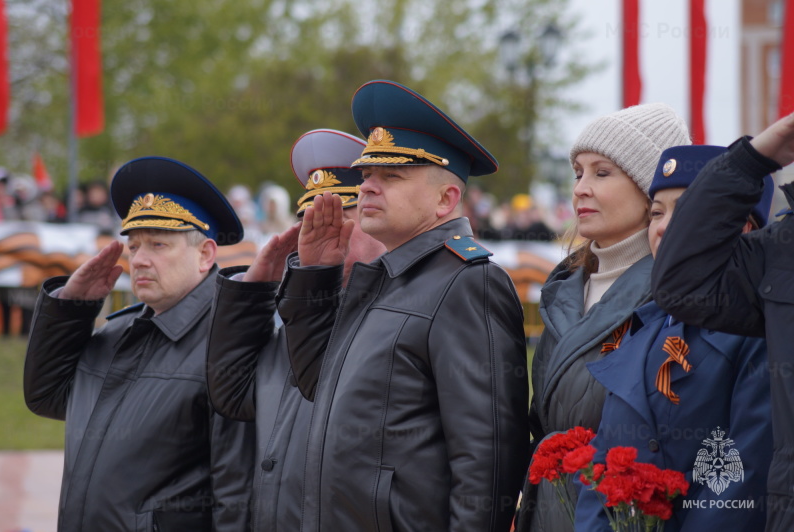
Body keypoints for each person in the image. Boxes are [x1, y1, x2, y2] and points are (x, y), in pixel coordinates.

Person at [275, 80, 529, 531]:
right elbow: (317, 384)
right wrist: (314, 277)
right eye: (367, 175)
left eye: (390, 177)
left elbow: (485, 468)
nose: (367, 187)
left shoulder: (469, 282)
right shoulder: (384, 279)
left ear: (445, 199)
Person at [23, 156, 255, 532]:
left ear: (205, 254)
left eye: (158, 245)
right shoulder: (118, 333)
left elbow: (237, 495)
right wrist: (71, 308)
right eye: (133, 246)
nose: (140, 260)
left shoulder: (226, 344)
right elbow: (46, 396)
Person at [575, 145, 775, 531]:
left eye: (686, 210)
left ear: (744, 227)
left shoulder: (761, 334)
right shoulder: (641, 327)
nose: (663, 227)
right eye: (656, 213)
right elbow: (601, 468)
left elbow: (743, 480)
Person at [518, 102, 691, 532]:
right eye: (578, 172)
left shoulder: (681, 295)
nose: (579, 188)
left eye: (601, 172)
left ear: (651, 189)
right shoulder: (562, 287)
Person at [206, 128, 387, 531]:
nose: (318, 233)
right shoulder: (291, 319)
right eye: (308, 219)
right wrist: (253, 289)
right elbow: (231, 396)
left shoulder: (398, 316)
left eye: (338, 218)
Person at [652, 113, 794, 531]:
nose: (662, 227)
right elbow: (682, 283)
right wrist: (750, 161)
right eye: (655, 212)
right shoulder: (783, 248)